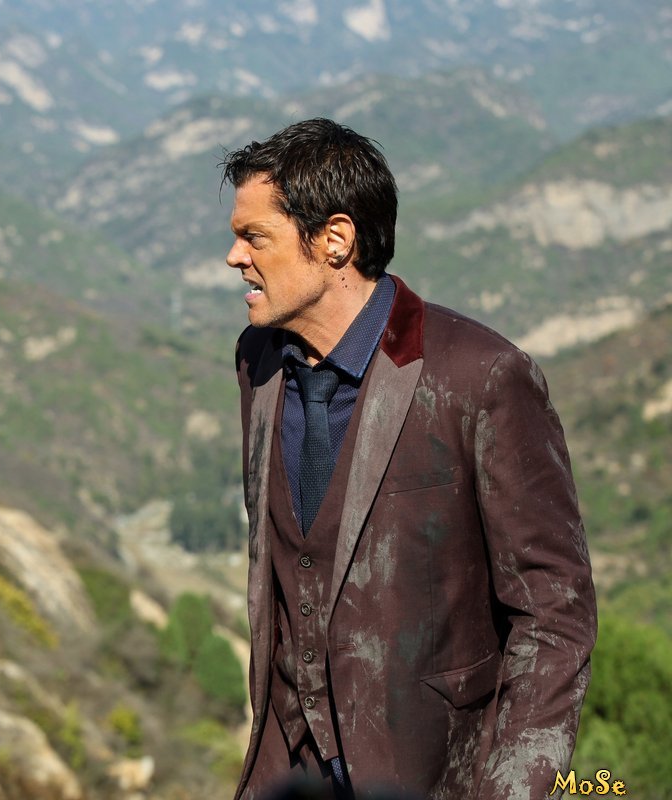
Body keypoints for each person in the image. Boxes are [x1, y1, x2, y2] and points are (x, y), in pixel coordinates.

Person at [222, 118, 595, 800]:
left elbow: (554, 615)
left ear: (335, 240)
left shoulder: (482, 376)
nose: (233, 257)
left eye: (254, 236)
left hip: (430, 775)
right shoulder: (257, 360)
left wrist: (510, 788)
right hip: (285, 775)